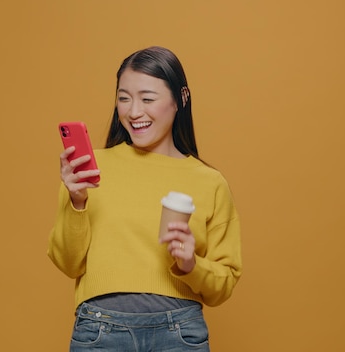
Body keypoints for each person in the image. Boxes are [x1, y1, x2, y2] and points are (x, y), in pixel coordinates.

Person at [48, 46, 242, 351]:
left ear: (181, 99)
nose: (134, 111)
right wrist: (77, 201)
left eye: (147, 99)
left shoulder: (210, 182)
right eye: (124, 98)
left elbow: (223, 286)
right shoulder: (88, 171)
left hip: (179, 333)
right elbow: (68, 263)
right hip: (100, 330)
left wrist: (191, 263)